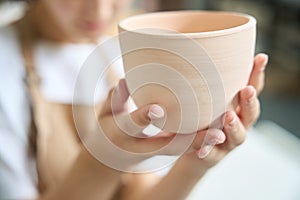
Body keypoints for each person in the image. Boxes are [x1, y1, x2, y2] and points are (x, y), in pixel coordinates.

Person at [0, 0, 269, 199]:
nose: (101, 11)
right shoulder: (6, 64)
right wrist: (104, 159)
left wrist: (195, 163)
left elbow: (138, 193)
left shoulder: (122, 47)